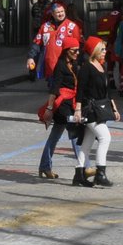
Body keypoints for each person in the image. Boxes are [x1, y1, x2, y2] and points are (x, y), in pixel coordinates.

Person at [75, 37, 121, 187]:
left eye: (105, 49)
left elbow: (108, 92)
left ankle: (79, 175)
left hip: (100, 109)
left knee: (87, 143)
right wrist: (78, 110)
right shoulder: (86, 67)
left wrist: (114, 108)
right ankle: (100, 173)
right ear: (94, 50)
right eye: (102, 49)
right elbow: (80, 91)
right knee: (105, 137)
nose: (104, 52)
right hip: (90, 109)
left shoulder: (102, 67)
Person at [37, 41, 83, 180]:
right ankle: (83, 166)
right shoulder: (60, 65)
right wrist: (50, 108)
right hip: (62, 106)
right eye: (74, 50)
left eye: (78, 50)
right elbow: (54, 89)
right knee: (74, 132)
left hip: (70, 104)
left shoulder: (74, 64)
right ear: (66, 50)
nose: (77, 53)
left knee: (54, 137)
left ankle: (45, 166)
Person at [28, 0, 82, 83]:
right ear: (52, 14)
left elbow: (78, 46)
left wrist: (78, 63)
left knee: (65, 91)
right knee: (53, 90)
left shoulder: (72, 27)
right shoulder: (45, 27)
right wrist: (31, 57)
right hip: (51, 66)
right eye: (57, 12)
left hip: (67, 67)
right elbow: (37, 44)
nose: (60, 14)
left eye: (62, 11)